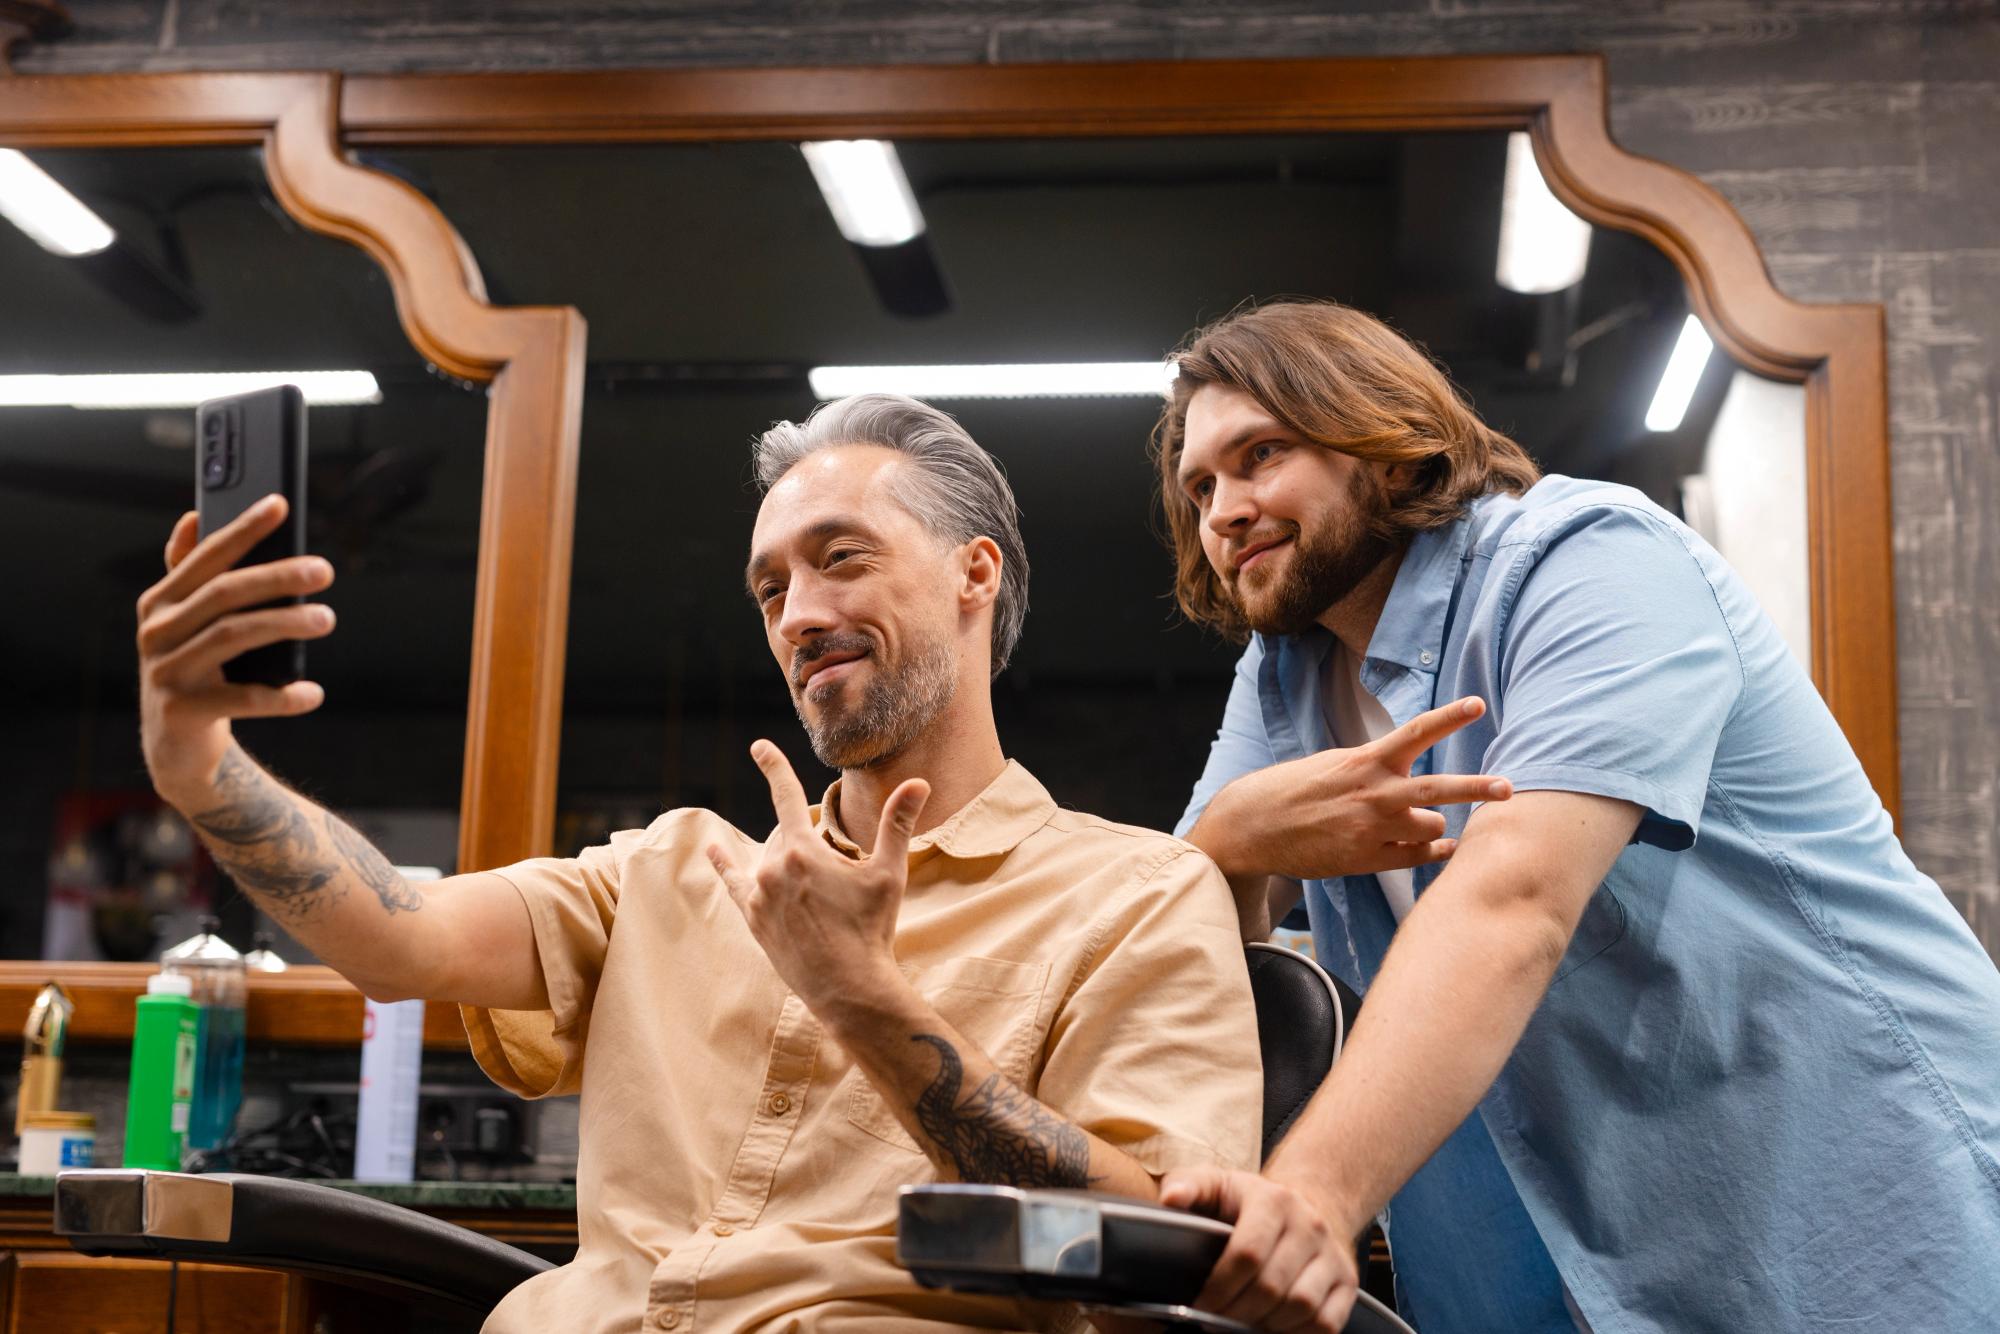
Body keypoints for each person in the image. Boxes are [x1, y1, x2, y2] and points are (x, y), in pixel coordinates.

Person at [138, 392, 1306, 1333]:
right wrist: (197, 761)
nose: (797, 612)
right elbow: (394, 930)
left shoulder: (1136, 893)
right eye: (769, 587)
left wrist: (858, 990)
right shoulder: (672, 869)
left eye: (839, 557)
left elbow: (1165, 1258)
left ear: (974, 574)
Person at [1147, 300, 2000, 1333]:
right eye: (1200, 485)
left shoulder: (1589, 559)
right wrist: (1228, 842)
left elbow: (1513, 897)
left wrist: (1315, 1193)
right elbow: (1177, 948)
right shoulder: (1283, 676)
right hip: (1540, 1258)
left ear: (1378, 436)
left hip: (1839, 1191)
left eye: (1260, 454)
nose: (1223, 508)